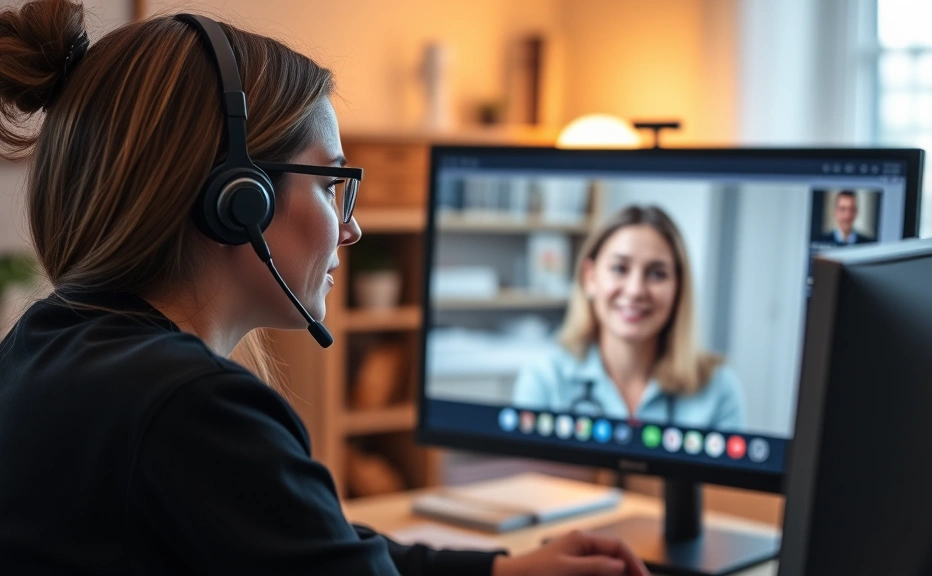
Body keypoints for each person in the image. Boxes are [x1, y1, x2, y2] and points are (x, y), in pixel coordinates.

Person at [0, 2, 649, 575]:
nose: (352, 227)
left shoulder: (47, 341)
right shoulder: (192, 406)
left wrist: (502, 571)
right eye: (331, 185)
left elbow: (312, 543)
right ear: (238, 200)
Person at [512, 205, 745, 431]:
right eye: (620, 268)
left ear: (679, 287)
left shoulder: (718, 388)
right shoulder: (545, 379)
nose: (635, 290)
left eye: (656, 274)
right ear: (590, 278)